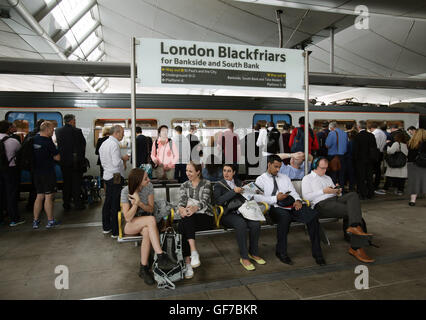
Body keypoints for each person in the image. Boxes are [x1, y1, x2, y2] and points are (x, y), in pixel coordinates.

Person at [253, 155, 325, 266]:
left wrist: (298, 200)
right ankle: (281, 252)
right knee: (284, 217)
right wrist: (275, 198)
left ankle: (318, 253)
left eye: (279, 167)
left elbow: (292, 191)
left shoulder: (284, 177)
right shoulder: (261, 179)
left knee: (312, 216)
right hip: (274, 207)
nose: (278, 170)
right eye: (276, 167)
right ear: (269, 165)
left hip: (290, 205)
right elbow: (258, 198)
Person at [302, 157, 375, 263]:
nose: (325, 170)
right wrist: (323, 191)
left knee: (353, 195)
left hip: (334, 199)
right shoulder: (307, 179)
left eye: (326, 168)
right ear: (314, 167)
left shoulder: (327, 178)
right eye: (322, 168)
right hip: (321, 204)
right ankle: (356, 247)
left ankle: (354, 227)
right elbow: (306, 197)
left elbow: (335, 192)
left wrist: (337, 191)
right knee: (353, 212)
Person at [120, 168, 175, 285]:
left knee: (146, 231)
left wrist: (139, 203)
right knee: (150, 220)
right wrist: (136, 203)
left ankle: (143, 268)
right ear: (138, 181)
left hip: (146, 221)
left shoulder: (149, 187)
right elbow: (128, 218)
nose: (149, 180)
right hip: (131, 225)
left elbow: (150, 208)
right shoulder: (125, 191)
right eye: (146, 178)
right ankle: (160, 255)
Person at [213, 164, 265, 271]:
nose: (226, 173)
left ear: (234, 172)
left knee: (255, 223)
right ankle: (244, 257)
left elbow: (246, 197)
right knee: (241, 224)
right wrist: (233, 191)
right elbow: (218, 201)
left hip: (242, 211)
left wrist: (252, 191)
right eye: (224, 171)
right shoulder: (219, 185)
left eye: (229, 171)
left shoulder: (239, 182)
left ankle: (253, 253)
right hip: (227, 214)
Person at [178, 161, 214, 279]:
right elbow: (181, 201)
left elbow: (204, 201)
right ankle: (192, 255)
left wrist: (195, 208)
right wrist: (181, 209)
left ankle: (188, 262)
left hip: (205, 217)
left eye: (190, 171)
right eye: (187, 170)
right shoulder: (184, 185)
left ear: (198, 172)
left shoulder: (206, 183)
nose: (187, 173)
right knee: (185, 221)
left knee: (184, 225)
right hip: (191, 218)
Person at [99, 125, 129, 238]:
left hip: (107, 175)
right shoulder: (115, 144)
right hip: (115, 176)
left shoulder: (104, 143)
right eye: (122, 132)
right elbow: (116, 162)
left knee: (108, 201)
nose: (123, 135)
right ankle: (116, 231)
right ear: (116, 133)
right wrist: (124, 160)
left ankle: (106, 227)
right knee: (115, 203)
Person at [32, 121, 60, 229]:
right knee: (49, 196)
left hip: (36, 173)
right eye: (52, 130)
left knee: (39, 196)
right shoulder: (48, 142)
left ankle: (35, 221)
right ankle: (50, 220)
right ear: (47, 129)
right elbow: (57, 157)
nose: (53, 132)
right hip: (47, 172)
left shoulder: (33, 139)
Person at [55, 114, 87, 211]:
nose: (75, 121)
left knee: (66, 183)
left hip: (64, 162)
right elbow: (83, 145)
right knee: (76, 183)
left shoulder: (58, 131)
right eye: (74, 120)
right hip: (76, 162)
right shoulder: (77, 131)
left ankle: (66, 204)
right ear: (72, 121)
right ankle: (77, 204)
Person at [0, 120, 23, 227]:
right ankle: (14, 219)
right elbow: (20, 151)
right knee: (11, 194)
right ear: (8, 129)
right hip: (10, 170)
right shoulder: (13, 141)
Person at [23, 118, 45, 212]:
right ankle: (42, 206)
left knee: (34, 186)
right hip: (42, 164)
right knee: (42, 187)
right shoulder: (42, 135)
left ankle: (30, 205)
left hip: (32, 164)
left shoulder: (30, 134)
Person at [352, 120, 377, 199]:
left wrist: (354, 160)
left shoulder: (357, 136)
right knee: (369, 177)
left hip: (360, 160)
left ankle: (362, 194)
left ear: (358, 127)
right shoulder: (371, 135)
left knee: (361, 177)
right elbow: (374, 148)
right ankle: (370, 193)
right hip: (370, 160)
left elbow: (355, 150)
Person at [407, 128, 426, 206]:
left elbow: (409, 155)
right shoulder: (425, 143)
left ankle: (412, 201)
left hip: (412, 165)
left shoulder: (411, 142)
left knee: (414, 183)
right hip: (423, 165)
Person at [325, 121, 348, 187]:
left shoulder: (331, 133)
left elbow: (327, 145)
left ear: (331, 127)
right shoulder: (344, 133)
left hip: (333, 157)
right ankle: (342, 190)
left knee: (333, 174)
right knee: (341, 174)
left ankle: (334, 191)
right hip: (342, 156)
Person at [370, 122, 387, 194]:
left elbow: (374, 145)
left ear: (371, 128)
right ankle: (376, 184)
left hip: (375, 153)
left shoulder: (374, 133)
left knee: (372, 169)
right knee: (378, 170)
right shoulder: (383, 133)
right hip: (380, 153)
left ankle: (372, 185)